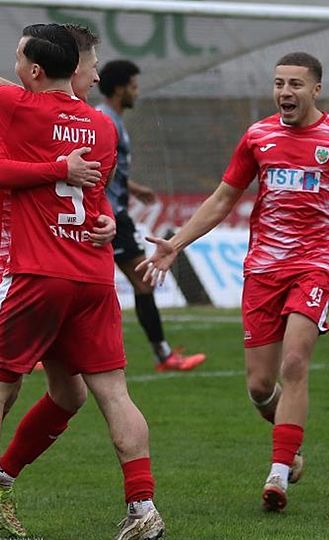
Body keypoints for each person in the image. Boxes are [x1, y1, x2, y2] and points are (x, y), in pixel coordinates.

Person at [136, 52, 329, 513]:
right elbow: (221, 200)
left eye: (295, 84)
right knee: (259, 386)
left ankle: (277, 475)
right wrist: (177, 243)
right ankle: (289, 443)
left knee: (295, 363)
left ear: (316, 89)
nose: (285, 92)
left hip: (315, 263)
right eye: (279, 84)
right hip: (262, 269)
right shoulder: (258, 137)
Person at [0, 24, 164, 540]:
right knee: (112, 395)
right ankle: (143, 510)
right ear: (74, 68)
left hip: (33, 273)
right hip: (93, 277)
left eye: (19, 56)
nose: (98, 74)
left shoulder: (13, 109)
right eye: (91, 65)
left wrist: (49, 155)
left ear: (34, 69)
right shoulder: (101, 126)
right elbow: (94, 197)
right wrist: (99, 217)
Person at [96, 59, 207, 372]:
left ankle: (164, 354)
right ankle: (164, 356)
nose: (137, 91)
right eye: (133, 86)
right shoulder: (105, 119)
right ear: (119, 89)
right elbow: (99, 167)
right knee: (142, 283)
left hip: (112, 213)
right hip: (110, 217)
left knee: (89, 284)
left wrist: (131, 187)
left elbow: (110, 168)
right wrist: (106, 202)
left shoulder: (111, 119)